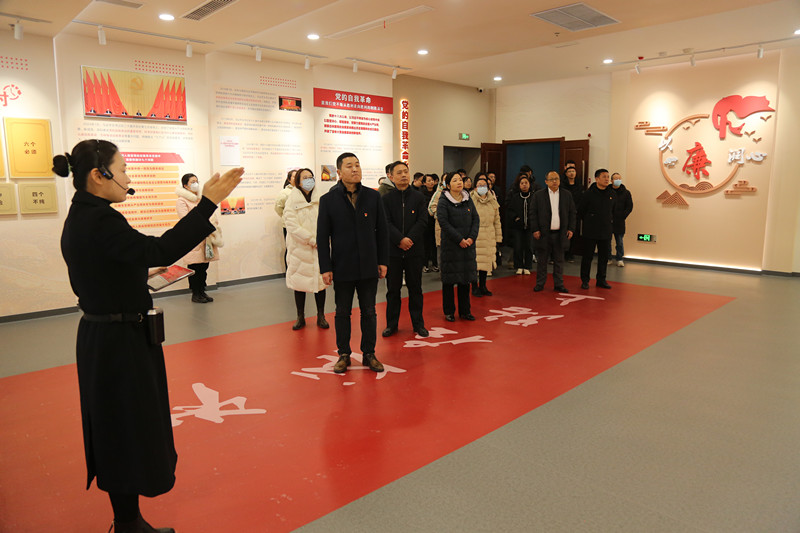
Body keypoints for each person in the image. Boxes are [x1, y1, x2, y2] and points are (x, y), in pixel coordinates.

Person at [56, 139, 243, 533]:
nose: (128, 178)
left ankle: (128, 521)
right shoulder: (100, 220)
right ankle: (127, 524)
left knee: (118, 427)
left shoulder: (85, 215)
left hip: (108, 335)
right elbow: (161, 248)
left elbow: (112, 266)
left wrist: (133, 275)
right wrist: (207, 204)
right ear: (99, 175)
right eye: (123, 170)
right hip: (118, 342)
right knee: (125, 428)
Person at [318, 152, 389, 374]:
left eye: (357, 165)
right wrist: (325, 267)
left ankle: (369, 353)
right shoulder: (328, 200)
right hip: (342, 265)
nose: (355, 169)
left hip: (368, 265)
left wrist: (383, 261)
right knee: (342, 312)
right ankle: (344, 354)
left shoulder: (373, 196)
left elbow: (382, 231)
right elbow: (322, 237)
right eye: (349, 166)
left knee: (369, 311)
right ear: (339, 172)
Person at [381, 161, 428, 338]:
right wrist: (399, 240)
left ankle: (418, 324)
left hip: (414, 250)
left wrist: (409, 240)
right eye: (399, 172)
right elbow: (385, 223)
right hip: (393, 251)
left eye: (406, 172)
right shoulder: (385, 199)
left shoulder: (419, 197)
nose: (403, 175)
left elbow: (423, 221)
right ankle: (391, 325)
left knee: (415, 288)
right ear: (391, 177)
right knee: (393, 290)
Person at [283, 168, 328, 330]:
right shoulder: (291, 200)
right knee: (299, 284)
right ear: (298, 182)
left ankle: (321, 316)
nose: (309, 180)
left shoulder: (320, 199)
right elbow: (291, 225)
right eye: (305, 178)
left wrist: (322, 239)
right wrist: (311, 239)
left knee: (320, 284)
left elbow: (326, 221)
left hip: (318, 249)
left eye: (311, 177)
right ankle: (300, 317)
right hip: (299, 249)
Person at [437, 172, 479, 321]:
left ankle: (465, 311)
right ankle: (449, 311)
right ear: (448, 185)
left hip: (468, 245)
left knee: (465, 279)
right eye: (455, 180)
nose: (459, 182)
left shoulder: (467, 198)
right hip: (451, 246)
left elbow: (475, 219)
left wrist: (471, 237)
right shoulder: (444, 200)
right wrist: (459, 239)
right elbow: (443, 222)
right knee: (449, 281)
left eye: (460, 180)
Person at [175, 173, 223, 303]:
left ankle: (202, 291)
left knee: (204, 267)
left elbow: (211, 215)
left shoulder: (201, 199)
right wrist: (204, 223)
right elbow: (185, 219)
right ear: (185, 185)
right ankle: (195, 293)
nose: (195, 184)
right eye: (192, 182)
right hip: (193, 238)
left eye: (197, 181)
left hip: (206, 238)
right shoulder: (181, 201)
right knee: (194, 268)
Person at [531, 171, 576, 293]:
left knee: (559, 261)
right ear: (546, 182)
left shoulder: (566, 194)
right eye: (552, 179)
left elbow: (572, 213)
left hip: (560, 233)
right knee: (542, 261)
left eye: (557, 179)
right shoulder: (539, 195)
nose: (555, 181)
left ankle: (559, 284)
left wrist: (571, 229)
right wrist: (535, 229)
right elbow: (533, 213)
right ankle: (540, 283)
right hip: (543, 234)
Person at [578, 168, 615, 290]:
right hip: (590, 231)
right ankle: (585, 280)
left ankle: (601, 280)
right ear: (597, 179)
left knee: (603, 257)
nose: (607, 179)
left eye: (608, 177)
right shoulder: (588, 194)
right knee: (587, 257)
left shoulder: (611, 193)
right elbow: (581, 211)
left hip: (606, 231)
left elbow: (614, 211)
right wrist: (590, 219)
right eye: (604, 177)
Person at [470, 174, 502, 296]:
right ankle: (474, 287)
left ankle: (483, 286)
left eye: (484, 185)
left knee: (486, 263)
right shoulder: (470, 200)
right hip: (476, 236)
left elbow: (497, 221)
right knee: (475, 263)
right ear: (475, 187)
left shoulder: (492, 201)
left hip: (489, 235)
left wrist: (498, 237)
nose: (482, 187)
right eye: (479, 185)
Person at [506, 172, 534, 275]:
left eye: (526, 183)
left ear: (529, 184)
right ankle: (519, 265)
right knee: (517, 247)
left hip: (530, 227)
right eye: (522, 183)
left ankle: (527, 266)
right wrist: (516, 218)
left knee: (529, 247)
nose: (524, 185)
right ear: (519, 185)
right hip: (517, 227)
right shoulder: (515, 197)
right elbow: (510, 210)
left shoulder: (534, 197)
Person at [609, 172, 634, 267]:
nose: (618, 180)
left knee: (619, 241)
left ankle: (619, 258)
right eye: (616, 179)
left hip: (619, 221)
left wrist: (623, 215)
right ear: (611, 181)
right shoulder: (607, 191)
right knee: (607, 241)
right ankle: (608, 258)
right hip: (607, 220)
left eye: (619, 178)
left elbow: (629, 206)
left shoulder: (626, 192)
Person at [275, 169, 297, 270]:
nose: (297, 178)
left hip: (300, 225)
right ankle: (289, 271)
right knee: (290, 248)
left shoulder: (302, 191)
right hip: (288, 226)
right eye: (294, 176)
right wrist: (286, 217)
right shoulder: (285, 193)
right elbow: (278, 208)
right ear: (289, 179)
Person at [560, 165, 583, 262]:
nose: (571, 173)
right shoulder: (562, 186)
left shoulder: (579, 186)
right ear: (566, 174)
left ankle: (570, 254)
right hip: (564, 212)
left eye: (573, 171)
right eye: (569, 171)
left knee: (573, 233)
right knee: (562, 232)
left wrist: (576, 209)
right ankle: (561, 253)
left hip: (575, 212)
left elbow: (581, 200)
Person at [421, 174, 439, 273]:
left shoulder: (437, 193)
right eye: (428, 180)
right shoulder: (421, 194)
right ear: (424, 183)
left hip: (435, 222)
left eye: (432, 180)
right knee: (426, 244)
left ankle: (435, 264)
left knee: (434, 244)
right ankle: (425, 264)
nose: (431, 182)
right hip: (426, 222)